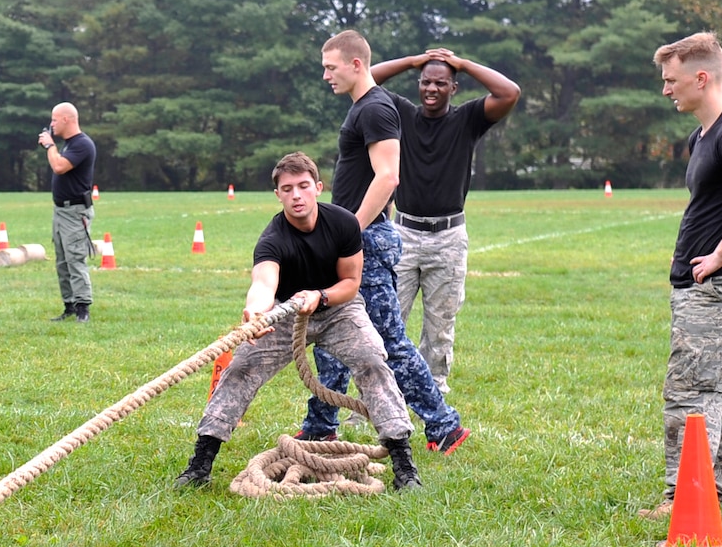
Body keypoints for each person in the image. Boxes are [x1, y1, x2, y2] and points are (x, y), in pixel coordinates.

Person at [175, 153, 421, 491]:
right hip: (286, 312)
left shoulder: (344, 223)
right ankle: (200, 464)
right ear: (277, 195)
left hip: (338, 309)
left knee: (372, 360)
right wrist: (256, 313)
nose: (296, 195)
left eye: (303, 186)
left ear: (318, 188)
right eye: (287, 189)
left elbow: (350, 283)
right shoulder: (272, 239)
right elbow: (263, 283)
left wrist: (319, 296)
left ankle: (403, 464)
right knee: (241, 370)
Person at [298, 30, 469, 454]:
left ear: (355, 65)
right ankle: (321, 423)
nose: (325, 76)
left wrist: (350, 229)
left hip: (366, 239)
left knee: (389, 340)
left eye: (330, 67)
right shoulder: (367, 104)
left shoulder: (374, 109)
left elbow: (388, 176)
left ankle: (444, 426)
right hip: (360, 236)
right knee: (335, 330)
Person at [639, 32, 722, 521]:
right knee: (718, 389)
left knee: (691, 393)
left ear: (702, 77)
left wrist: (719, 253)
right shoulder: (704, 134)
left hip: (717, 287)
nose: (666, 89)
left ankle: (684, 498)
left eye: (671, 80)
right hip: (706, 288)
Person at [373, 48, 520, 393]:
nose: (432, 89)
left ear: (453, 88)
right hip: (403, 235)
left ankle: (433, 397)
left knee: (439, 328)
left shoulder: (467, 119)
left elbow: (509, 93)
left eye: (441, 83)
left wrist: (464, 64)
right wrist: (411, 61)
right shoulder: (402, 114)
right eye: (426, 82)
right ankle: (377, 399)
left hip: (448, 238)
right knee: (384, 321)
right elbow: (367, 79)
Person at [38, 102, 97, 322]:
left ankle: (83, 308)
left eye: (54, 119)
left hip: (75, 212)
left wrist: (49, 146)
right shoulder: (69, 144)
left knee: (75, 259)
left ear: (66, 119)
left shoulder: (82, 144)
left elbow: (59, 167)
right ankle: (69, 305)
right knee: (62, 261)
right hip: (61, 211)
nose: (51, 124)